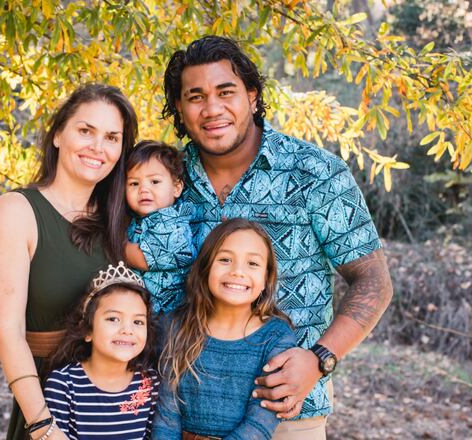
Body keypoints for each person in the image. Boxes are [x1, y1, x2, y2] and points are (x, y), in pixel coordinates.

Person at [146, 36, 394, 438]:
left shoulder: (314, 172)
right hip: (177, 417)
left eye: (226, 92)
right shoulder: (160, 180)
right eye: (196, 96)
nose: (212, 109)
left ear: (252, 95)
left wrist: (319, 361)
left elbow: (374, 281)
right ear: (179, 107)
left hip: (284, 415)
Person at [0, 84, 138, 440]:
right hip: (50, 403)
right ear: (57, 135)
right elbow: (7, 332)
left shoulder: (126, 221)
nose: (98, 147)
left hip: (125, 408)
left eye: (112, 137)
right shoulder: (17, 211)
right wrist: (41, 425)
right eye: (86, 131)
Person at [152, 218, 299, 439]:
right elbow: (166, 415)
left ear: (266, 278)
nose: (237, 271)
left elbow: (260, 422)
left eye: (253, 263)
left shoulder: (276, 337)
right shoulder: (175, 327)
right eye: (225, 259)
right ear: (206, 267)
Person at [43, 262, 160, 439]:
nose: (127, 330)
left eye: (138, 322)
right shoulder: (64, 386)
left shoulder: (149, 383)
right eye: (113, 319)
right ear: (87, 330)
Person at [124, 140, 195, 314]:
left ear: (177, 188)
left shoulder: (173, 225)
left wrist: (111, 243)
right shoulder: (136, 221)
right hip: (139, 313)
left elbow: (142, 258)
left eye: (154, 182)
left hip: (167, 316)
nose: (144, 189)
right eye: (134, 183)